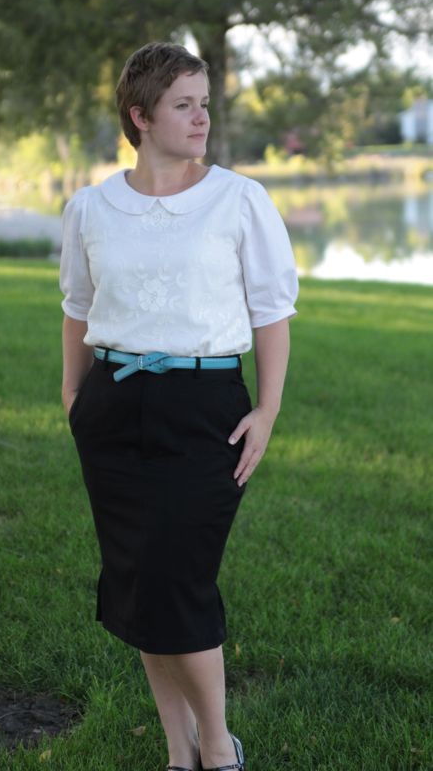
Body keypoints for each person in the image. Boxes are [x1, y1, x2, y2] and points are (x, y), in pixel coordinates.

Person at [59, 41, 298, 771]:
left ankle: (219, 748)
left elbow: (271, 310)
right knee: (136, 584)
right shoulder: (91, 206)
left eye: (204, 103)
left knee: (176, 580)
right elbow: (76, 307)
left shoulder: (238, 199)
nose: (201, 118)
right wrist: (73, 398)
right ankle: (176, 751)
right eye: (183, 105)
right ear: (140, 116)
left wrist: (267, 410)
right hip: (112, 406)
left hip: (205, 406)